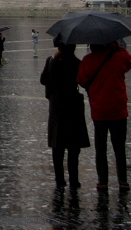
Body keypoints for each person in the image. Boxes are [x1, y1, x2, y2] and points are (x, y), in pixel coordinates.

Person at [77, 42, 131, 191]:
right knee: (119, 147)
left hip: (99, 110)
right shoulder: (119, 56)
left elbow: (81, 80)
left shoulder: (88, 60)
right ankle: (123, 180)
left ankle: (102, 181)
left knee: (100, 147)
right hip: (118, 109)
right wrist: (117, 47)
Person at [40, 38, 90, 190]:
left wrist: (53, 60)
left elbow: (43, 80)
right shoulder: (77, 63)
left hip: (57, 106)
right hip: (73, 105)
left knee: (58, 145)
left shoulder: (52, 61)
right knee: (73, 147)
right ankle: (74, 180)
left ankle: (59, 179)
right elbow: (83, 82)